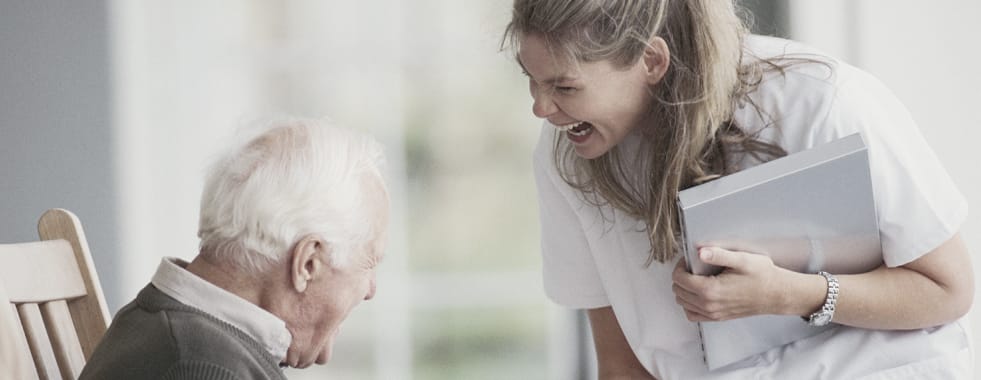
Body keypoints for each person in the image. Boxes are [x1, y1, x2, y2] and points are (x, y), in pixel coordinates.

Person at [503, 0, 973, 379]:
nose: (541, 108)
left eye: (564, 87)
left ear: (651, 60)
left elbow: (946, 289)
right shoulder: (567, 156)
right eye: (532, 79)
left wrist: (790, 294)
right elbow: (622, 365)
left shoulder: (821, 102)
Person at [79, 117, 390, 379]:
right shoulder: (200, 367)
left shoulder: (162, 327)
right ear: (307, 263)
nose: (371, 289)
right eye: (369, 262)